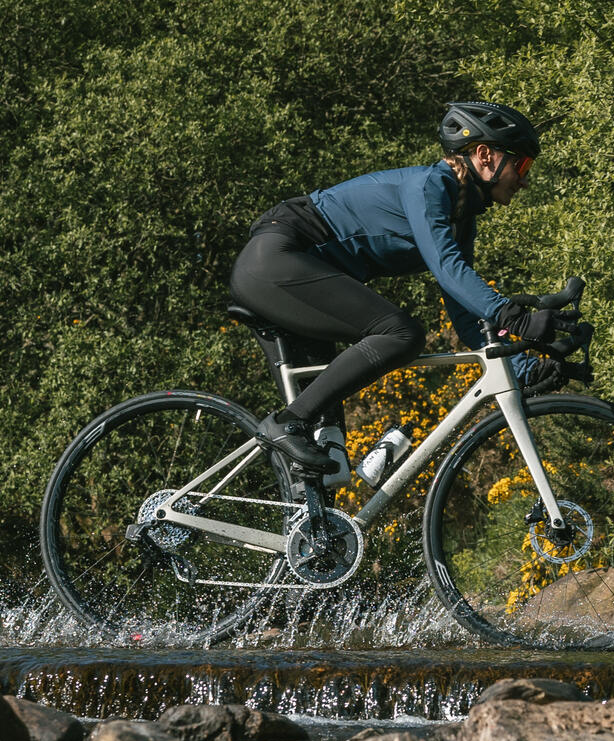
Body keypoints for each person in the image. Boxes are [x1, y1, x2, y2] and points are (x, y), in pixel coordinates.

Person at [229, 101, 578, 477]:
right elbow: (448, 269)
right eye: (522, 165)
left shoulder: (461, 214)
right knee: (402, 334)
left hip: (299, 281)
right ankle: (284, 423)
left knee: (328, 461)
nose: (524, 179)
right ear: (485, 156)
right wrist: (516, 318)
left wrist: (525, 367)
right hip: (276, 260)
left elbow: (464, 312)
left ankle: (310, 526)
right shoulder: (431, 186)